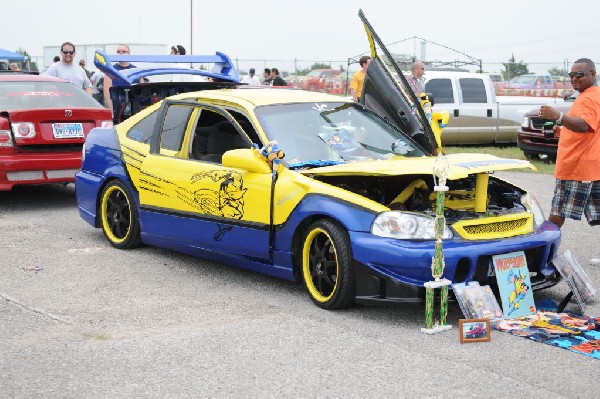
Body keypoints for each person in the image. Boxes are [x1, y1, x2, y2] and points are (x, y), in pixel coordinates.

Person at [538, 57, 600, 266]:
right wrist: (559, 129)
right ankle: (541, 251)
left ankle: (540, 253)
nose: (574, 79)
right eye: (571, 75)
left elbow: (583, 125)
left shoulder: (590, 97)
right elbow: (585, 130)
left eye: (579, 75)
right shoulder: (588, 95)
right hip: (589, 166)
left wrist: (558, 117)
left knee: (558, 211)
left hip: (577, 167)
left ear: (593, 74)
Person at [103, 44, 137, 111]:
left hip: (135, 107)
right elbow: (107, 93)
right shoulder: (111, 71)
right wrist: (112, 110)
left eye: (124, 51)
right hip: (118, 107)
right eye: (118, 52)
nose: (121, 53)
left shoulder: (136, 70)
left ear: (129, 54)